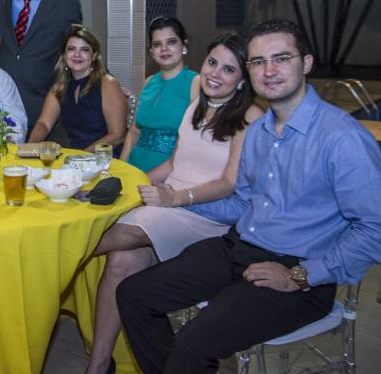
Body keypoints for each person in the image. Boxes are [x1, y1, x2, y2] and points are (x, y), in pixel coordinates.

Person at [117, 19, 381, 374]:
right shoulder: (258, 131)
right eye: (258, 61)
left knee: (192, 343)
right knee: (133, 295)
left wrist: (301, 275)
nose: (268, 70)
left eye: (281, 58)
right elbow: (242, 204)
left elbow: (374, 228)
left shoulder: (341, 138)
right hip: (238, 247)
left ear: (306, 63)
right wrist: (175, 199)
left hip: (298, 272)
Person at [85, 32, 263, 374]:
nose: (214, 73)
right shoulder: (197, 106)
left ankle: (63, 252)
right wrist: (129, 185)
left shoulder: (250, 118)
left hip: (207, 217)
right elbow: (173, 164)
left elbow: (229, 183)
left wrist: (177, 198)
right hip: (171, 203)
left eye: (228, 69)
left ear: (243, 80)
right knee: (121, 261)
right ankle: (99, 364)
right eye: (212, 62)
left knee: (117, 232)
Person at [0, 0, 83, 136]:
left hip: (44, 106)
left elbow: (81, 47)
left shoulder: (67, 5)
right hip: (2, 105)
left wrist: (105, 79)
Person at [28, 25, 127, 152]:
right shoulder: (60, 87)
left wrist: (81, 156)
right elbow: (44, 124)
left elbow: (117, 136)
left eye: (84, 50)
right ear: (64, 55)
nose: (77, 54)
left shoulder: (107, 84)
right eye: (71, 49)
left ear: (94, 55)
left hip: (106, 158)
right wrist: (30, 147)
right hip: (75, 157)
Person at [120, 16, 200, 173]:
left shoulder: (196, 83)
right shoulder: (148, 82)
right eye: (157, 44)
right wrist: (121, 168)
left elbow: (195, 144)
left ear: (184, 45)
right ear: (151, 51)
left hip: (170, 173)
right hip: (134, 167)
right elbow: (134, 132)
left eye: (171, 42)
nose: (164, 49)